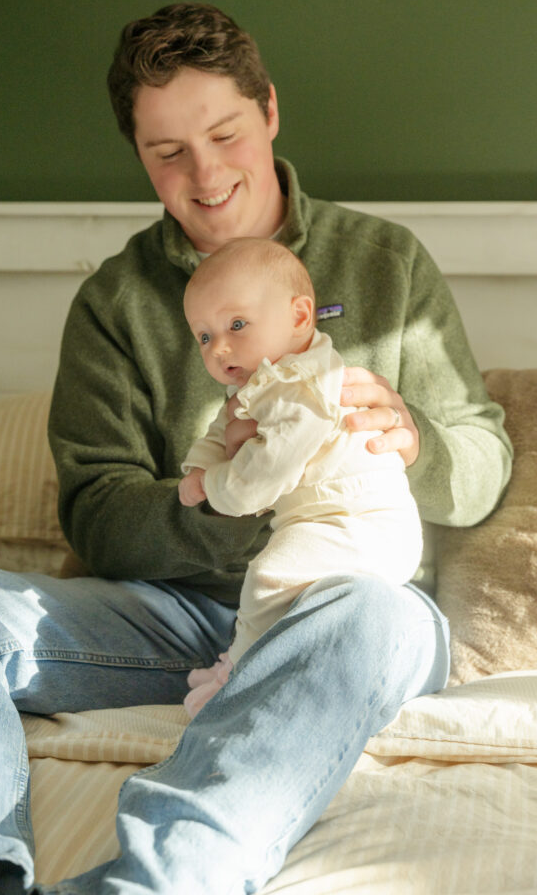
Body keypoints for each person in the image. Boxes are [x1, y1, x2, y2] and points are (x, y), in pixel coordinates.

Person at [0, 2, 512, 895]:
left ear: (268, 111)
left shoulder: (385, 265)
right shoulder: (115, 304)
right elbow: (100, 517)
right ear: (141, 158)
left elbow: (483, 465)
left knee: (372, 617)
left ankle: (158, 881)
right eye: (167, 153)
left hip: (344, 605)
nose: (205, 174)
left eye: (225, 133)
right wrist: (236, 494)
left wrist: (416, 443)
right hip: (176, 619)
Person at [178, 236, 423, 716]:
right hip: (328, 524)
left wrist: (213, 485)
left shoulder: (304, 388)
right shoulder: (264, 382)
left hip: (362, 526)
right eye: (204, 337)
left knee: (271, 576)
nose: (219, 348)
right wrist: (198, 466)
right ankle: (253, 665)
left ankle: (240, 672)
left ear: (298, 317)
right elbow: (223, 427)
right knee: (286, 591)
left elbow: (265, 474)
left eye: (237, 324)